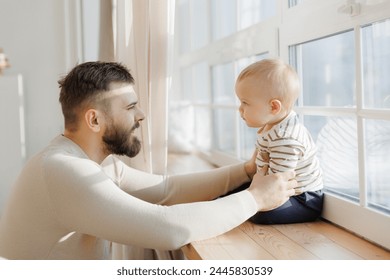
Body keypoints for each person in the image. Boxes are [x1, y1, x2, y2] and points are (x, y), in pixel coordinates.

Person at [0, 61, 296, 260]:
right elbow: (168, 229)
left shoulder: (95, 164)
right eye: (130, 107)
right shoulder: (63, 170)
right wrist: (256, 199)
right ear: (94, 119)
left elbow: (167, 190)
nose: (141, 115)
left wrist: (245, 170)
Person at [234, 58, 324, 224]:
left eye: (245, 102)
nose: (240, 108)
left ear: (273, 107)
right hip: (276, 188)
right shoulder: (272, 123)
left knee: (259, 214)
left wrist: (253, 199)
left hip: (301, 199)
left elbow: (278, 184)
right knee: (235, 193)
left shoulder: (286, 138)